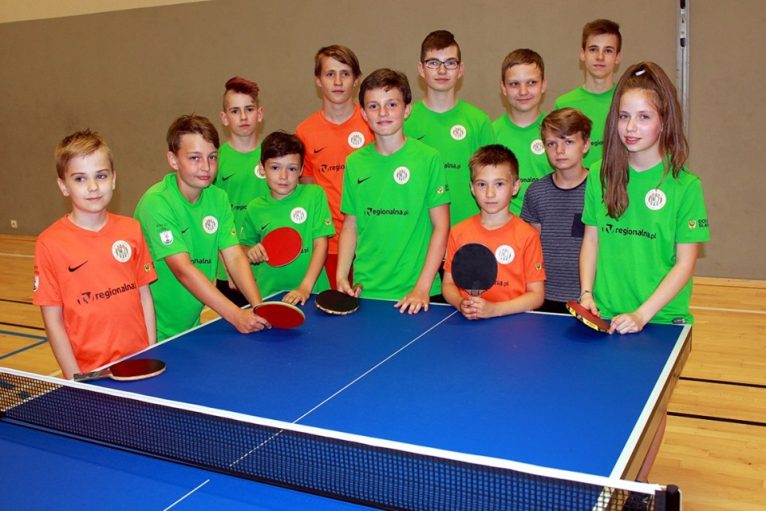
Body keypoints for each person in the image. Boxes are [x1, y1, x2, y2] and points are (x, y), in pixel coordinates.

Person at [579, 62, 709, 481]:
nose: (630, 127)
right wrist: (587, 292)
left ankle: (638, 488)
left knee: (649, 412)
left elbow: (685, 263)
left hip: (660, 320)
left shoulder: (685, 186)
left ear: (664, 121)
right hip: (606, 313)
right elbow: (592, 240)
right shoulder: (601, 176)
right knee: (605, 404)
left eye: (643, 116)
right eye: (623, 116)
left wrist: (642, 314)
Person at [33, 130, 157, 379]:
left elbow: (144, 295)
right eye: (80, 179)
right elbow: (53, 319)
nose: (93, 187)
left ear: (113, 179)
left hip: (138, 360)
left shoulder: (131, 229)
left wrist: (151, 350)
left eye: (101, 176)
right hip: (90, 372)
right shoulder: (49, 243)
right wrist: (75, 377)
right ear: (63, 186)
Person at [135, 114, 268, 341]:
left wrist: (259, 307)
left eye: (212, 157)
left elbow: (235, 257)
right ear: (173, 160)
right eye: (194, 158)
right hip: (150, 331)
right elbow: (183, 270)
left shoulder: (218, 198)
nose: (206, 167)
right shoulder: (156, 203)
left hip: (189, 325)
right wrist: (236, 315)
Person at [337, 68, 450, 314]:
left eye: (391, 104)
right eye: (374, 106)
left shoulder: (429, 158)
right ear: (363, 113)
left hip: (418, 294)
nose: (383, 113)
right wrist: (341, 275)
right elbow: (350, 225)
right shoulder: (354, 163)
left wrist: (422, 287)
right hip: (367, 291)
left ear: (407, 109)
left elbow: (441, 226)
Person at [296, 45, 373, 289]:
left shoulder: (374, 124)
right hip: (327, 245)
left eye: (345, 73)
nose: (338, 81)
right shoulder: (305, 132)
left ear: (356, 79)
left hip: (370, 242)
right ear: (318, 80)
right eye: (330, 74)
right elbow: (310, 192)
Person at [442, 144, 545, 319]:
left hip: (513, 324)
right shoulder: (458, 232)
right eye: (482, 184)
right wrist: (460, 303)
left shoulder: (528, 236)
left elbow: (536, 295)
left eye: (499, 184)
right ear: (472, 188)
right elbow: (448, 284)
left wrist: (495, 310)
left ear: (515, 187)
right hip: (468, 323)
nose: (490, 193)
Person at [404, 29, 495, 226]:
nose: (442, 70)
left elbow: (493, 182)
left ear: (460, 69)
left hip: (469, 231)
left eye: (450, 63)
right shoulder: (404, 121)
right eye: (433, 63)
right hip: (419, 233)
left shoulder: (479, 121)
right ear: (421, 69)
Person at [240, 132, 334, 304]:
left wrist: (305, 287)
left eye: (291, 169)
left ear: (301, 169)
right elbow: (243, 246)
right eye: (275, 168)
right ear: (262, 168)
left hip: (313, 293)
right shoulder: (254, 207)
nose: (283, 176)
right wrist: (250, 251)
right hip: (268, 295)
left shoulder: (314, 195)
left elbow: (321, 244)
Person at [521, 108, 592, 313]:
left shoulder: (600, 191)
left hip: (590, 298)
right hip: (544, 296)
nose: (559, 150)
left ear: (585, 145)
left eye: (568, 142)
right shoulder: (536, 192)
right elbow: (531, 249)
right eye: (551, 144)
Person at [214, 76, 269, 306]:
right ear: (224, 118)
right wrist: (228, 265)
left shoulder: (273, 157)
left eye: (249, 109)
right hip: (229, 268)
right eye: (235, 111)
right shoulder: (214, 161)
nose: (243, 117)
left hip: (268, 264)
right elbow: (212, 218)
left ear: (260, 113)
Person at [555, 19, 622, 169]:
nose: (600, 57)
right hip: (578, 184)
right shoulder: (564, 104)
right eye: (593, 49)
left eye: (608, 50)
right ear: (582, 54)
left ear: (617, 57)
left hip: (620, 182)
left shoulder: (627, 100)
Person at [493, 48, 552, 215]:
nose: (523, 91)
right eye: (514, 84)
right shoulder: (491, 134)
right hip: (503, 228)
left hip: (549, 226)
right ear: (503, 88)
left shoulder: (558, 133)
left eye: (531, 82)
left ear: (543, 85)